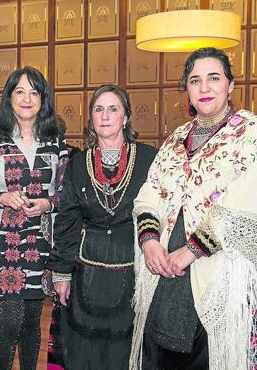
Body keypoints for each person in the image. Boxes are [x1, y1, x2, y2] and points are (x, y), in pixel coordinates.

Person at [130, 47, 257, 370]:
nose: (204, 88)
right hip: (167, 272)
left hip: (225, 274)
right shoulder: (176, 138)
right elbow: (149, 191)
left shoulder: (252, 132)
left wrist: (190, 251)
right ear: (187, 90)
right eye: (195, 80)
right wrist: (149, 241)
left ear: (230, 86)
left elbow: (247, 202)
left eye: (214, 78)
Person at [44, 85, 157, 370]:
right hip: (86, 277)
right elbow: (68, 221)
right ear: (91, 118)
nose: (105, 116)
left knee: (127, 349)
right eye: (98, 109)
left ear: (126, 117)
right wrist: (61, 273)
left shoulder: (149, 159)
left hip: (135, 269)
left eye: (113, 109)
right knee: (84, 350)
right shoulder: (78, 163)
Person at [0, 66, 67, 370]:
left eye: (34, 92)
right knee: (10, 323)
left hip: (41, 240)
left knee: (31, 323)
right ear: (9, 97)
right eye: (20, 91)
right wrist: (1, 197)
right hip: (4, 242)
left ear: (43, 99)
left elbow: (64, 195)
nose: (27, 98)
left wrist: (47, 204)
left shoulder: (55, 140)